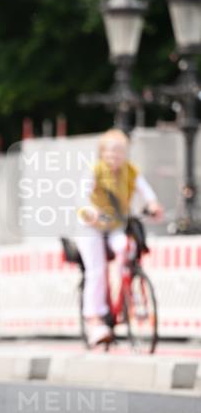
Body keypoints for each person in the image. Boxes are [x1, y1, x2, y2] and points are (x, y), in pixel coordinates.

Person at [76, 128, 163, 348]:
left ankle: (124, 291)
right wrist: (90, 211)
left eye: (120, 151)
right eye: (111, 151)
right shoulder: (94, 171)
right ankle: (94, 320)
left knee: (125, 246)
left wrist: (153, 205)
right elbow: (81, 197)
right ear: (102, 153)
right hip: (92, 226)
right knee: (96, 270)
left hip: (115, 224)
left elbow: (147, 193)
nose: (115, 156)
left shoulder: (131, 171)